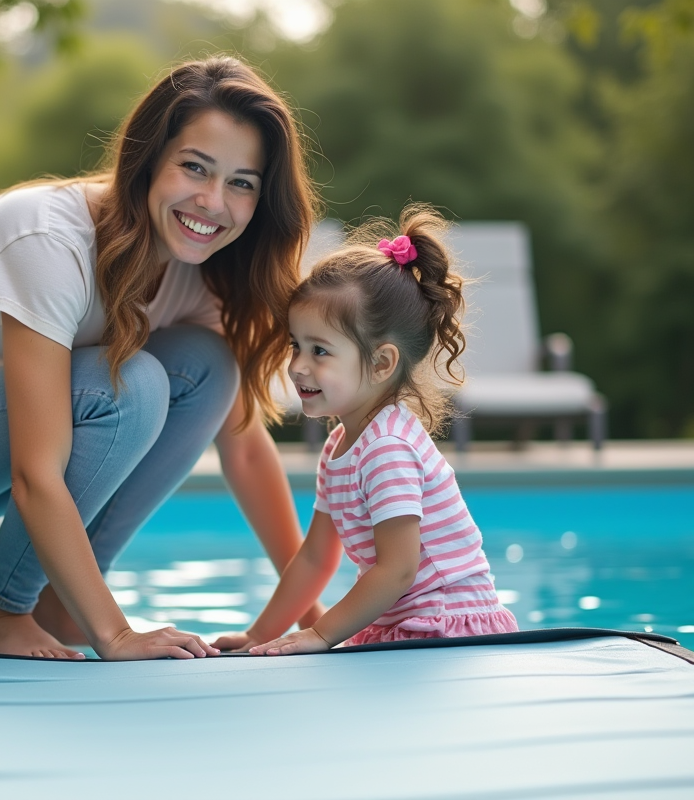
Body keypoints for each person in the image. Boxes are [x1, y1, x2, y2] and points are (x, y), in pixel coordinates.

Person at [0, 56, 323, 661]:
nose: (212, 201)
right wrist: (116, 634)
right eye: (194, 168)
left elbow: (245, 448)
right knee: (127, 384)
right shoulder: (50, 239)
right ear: (148, 160)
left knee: (207, 367)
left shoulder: (200, 275)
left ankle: (59, 606)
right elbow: (35, 471)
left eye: (241, 183)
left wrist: (310, 618)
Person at [213, 204, 518, 656]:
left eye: (320, 351)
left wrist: (318, 635)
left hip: (448, 627)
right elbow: (316, 558)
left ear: (381, 363)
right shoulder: (342, 444)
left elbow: (398, 570)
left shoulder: (386, 448)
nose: (298, 366)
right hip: (406, 620)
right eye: (296, 345)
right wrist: (262, 634)